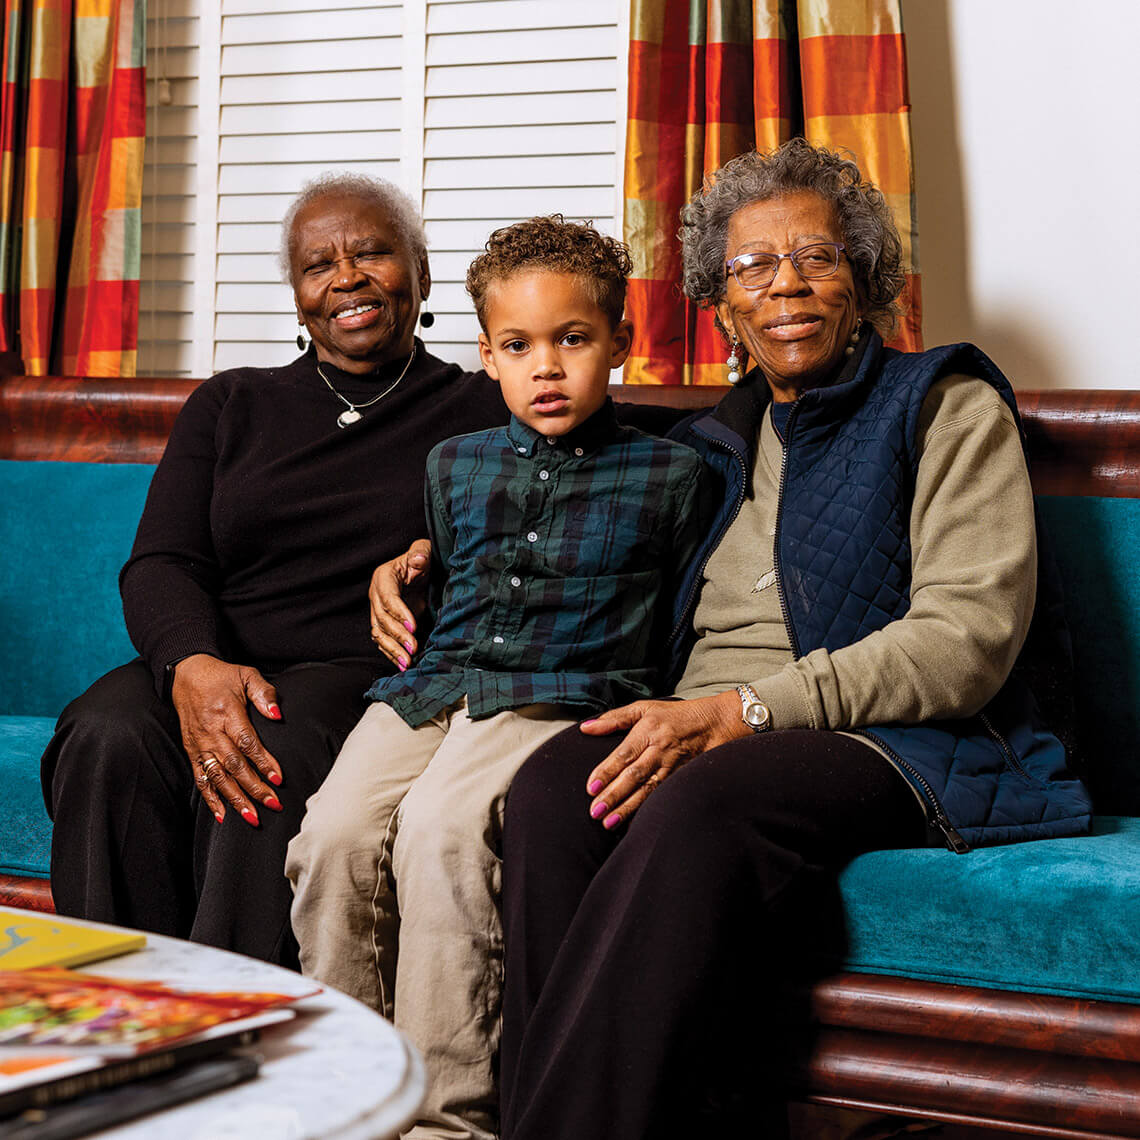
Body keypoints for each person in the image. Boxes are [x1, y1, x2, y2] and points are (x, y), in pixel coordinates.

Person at [370, 140, 1092, 1138]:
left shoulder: (945, 403)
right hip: (704, 724)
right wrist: (426, 557)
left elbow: (964, 641)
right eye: (754, 265)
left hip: (902, 741)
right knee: (550, 789)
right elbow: (575, 528)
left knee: (706, 800)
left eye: (818, 257)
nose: (785, 283)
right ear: (724, 304)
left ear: (864, 278)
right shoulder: (707, 446)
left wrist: (744, 712)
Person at [285, 217, 704, 1140]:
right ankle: (346, 1098)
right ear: (486, 356)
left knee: (440, 838)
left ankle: (444, 1120)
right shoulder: (454, 463)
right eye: (518, 346)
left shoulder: (676, 473)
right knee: (332, 838)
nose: (545, 367)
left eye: (573, 340)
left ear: (621, 343)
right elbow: (452, 573)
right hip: (434, 687)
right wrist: (410, 566)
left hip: (560, 690)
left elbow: (683, 617)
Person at [39, 172, 510, 968]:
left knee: (268, 750)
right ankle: (117, 1012)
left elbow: (607, 433)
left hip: (360, 671)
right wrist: (190, 664)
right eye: (318, 265)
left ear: (422, 275)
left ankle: (238, 1028)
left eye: (372, 253)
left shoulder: (484, 407)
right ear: (298, 299)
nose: (347, 278)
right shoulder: (230, 406)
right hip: (215, 653)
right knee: (105, 731)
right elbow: (161, 561)